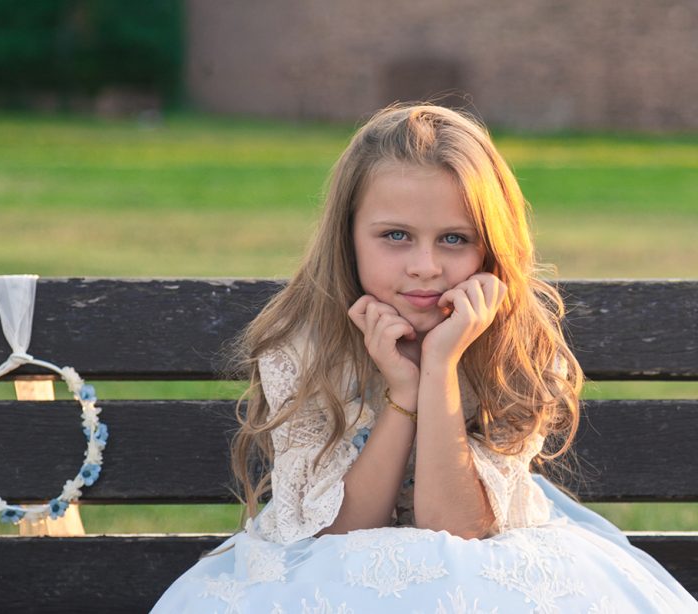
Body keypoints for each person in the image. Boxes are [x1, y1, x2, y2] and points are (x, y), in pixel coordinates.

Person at [152, 104, 697, 613]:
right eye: (395, 235)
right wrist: (402, 395)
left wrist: (439, 367)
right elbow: (339, 532)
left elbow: (458, 527)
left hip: (482, 559)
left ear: (489, 248)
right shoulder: (305, 345)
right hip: (335, 566)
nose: (425, 266)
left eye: (455, 239)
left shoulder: (513, 345)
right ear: (348, 238)